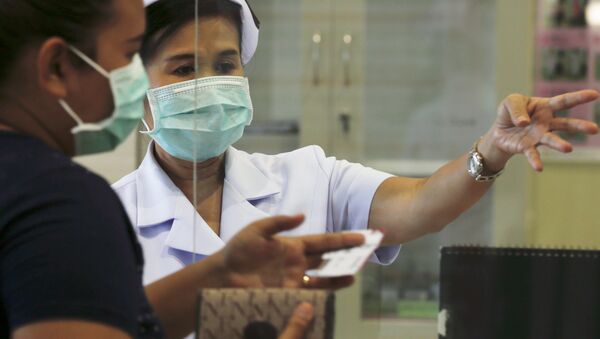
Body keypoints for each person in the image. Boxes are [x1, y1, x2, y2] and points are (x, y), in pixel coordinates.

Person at [114, 0, 600, 286]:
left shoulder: (308, 177)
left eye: (225, 66)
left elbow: (420, 204)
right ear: (137, 86)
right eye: (183, 69)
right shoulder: (105, 217)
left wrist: (491, 150)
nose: (210, 85)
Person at [0, 0, 365, 338]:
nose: (131, 82)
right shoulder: (59, 206)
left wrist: (219, 276)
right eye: (128, 56)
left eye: (225, 65)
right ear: (57, 67)